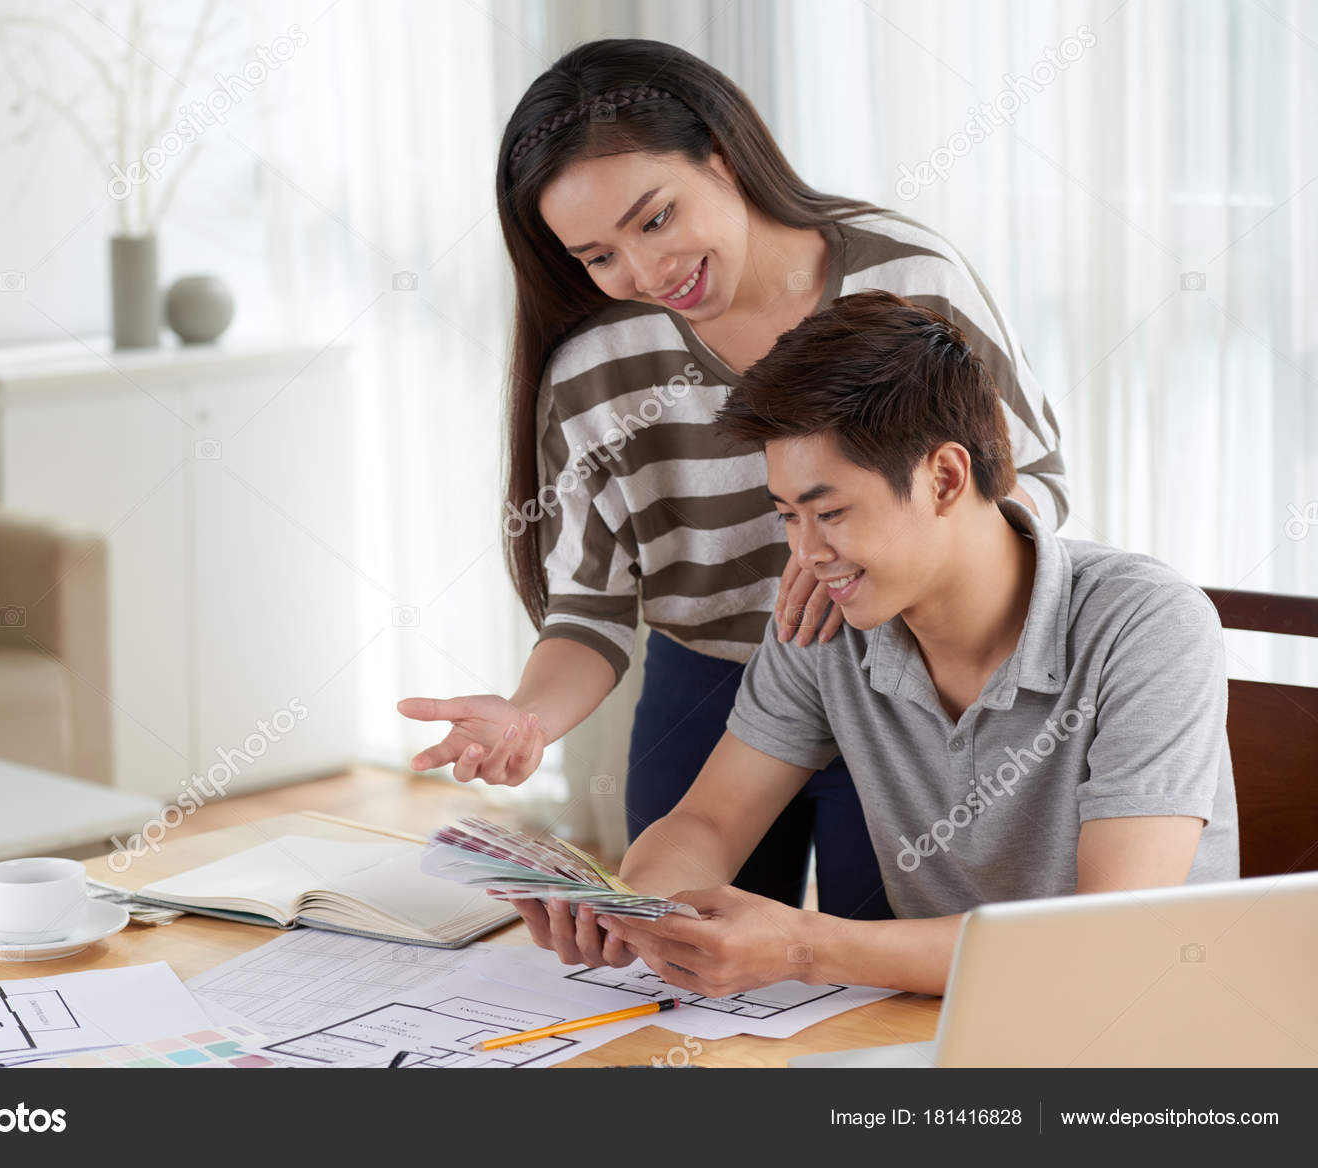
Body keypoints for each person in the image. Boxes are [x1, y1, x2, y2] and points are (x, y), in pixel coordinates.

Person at [398, 38, 1069, 921]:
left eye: (655, 219)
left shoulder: (906, 280)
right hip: (703, 693)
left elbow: (1034, 486)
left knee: (879, 977)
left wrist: (867, 563)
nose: (644, 274)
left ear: (721, 155)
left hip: (902, 686)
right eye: (597, 256)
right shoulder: (598, 363)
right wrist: (530, 717)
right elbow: (591, 610)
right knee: (680, 958)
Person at [511, 291, 1238, 996]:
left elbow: (1105, 937)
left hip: (1146, 1035)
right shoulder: (830, 620)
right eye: (788, 517)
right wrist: (636, 911)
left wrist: (805, 947)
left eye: (829, 512)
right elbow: (709, 820)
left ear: (945, 477)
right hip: (942, 1026)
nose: (807, 552)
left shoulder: (1148, 623)